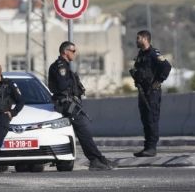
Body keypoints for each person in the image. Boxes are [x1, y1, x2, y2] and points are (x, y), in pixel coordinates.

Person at [48, 41, 115, 171]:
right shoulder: (60, 66)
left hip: (70, 103)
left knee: (84, 132)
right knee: (84, 132)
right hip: (66, 104)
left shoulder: (66, 67)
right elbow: (62, 86)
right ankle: (95, 160)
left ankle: (99, 158)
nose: (75, 53)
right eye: (73, 51)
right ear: (65, 52)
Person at [129, 30, 171, 157]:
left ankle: (152, 147)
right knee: (145, 119)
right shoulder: (141, 54)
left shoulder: (153, 53)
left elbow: (166, 66)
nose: (136, 41)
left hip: (152, 92)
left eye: (138, 38)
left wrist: (158, 81)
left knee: (152, 118)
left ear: (145, 39)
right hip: (143, 91)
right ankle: (147, 147)